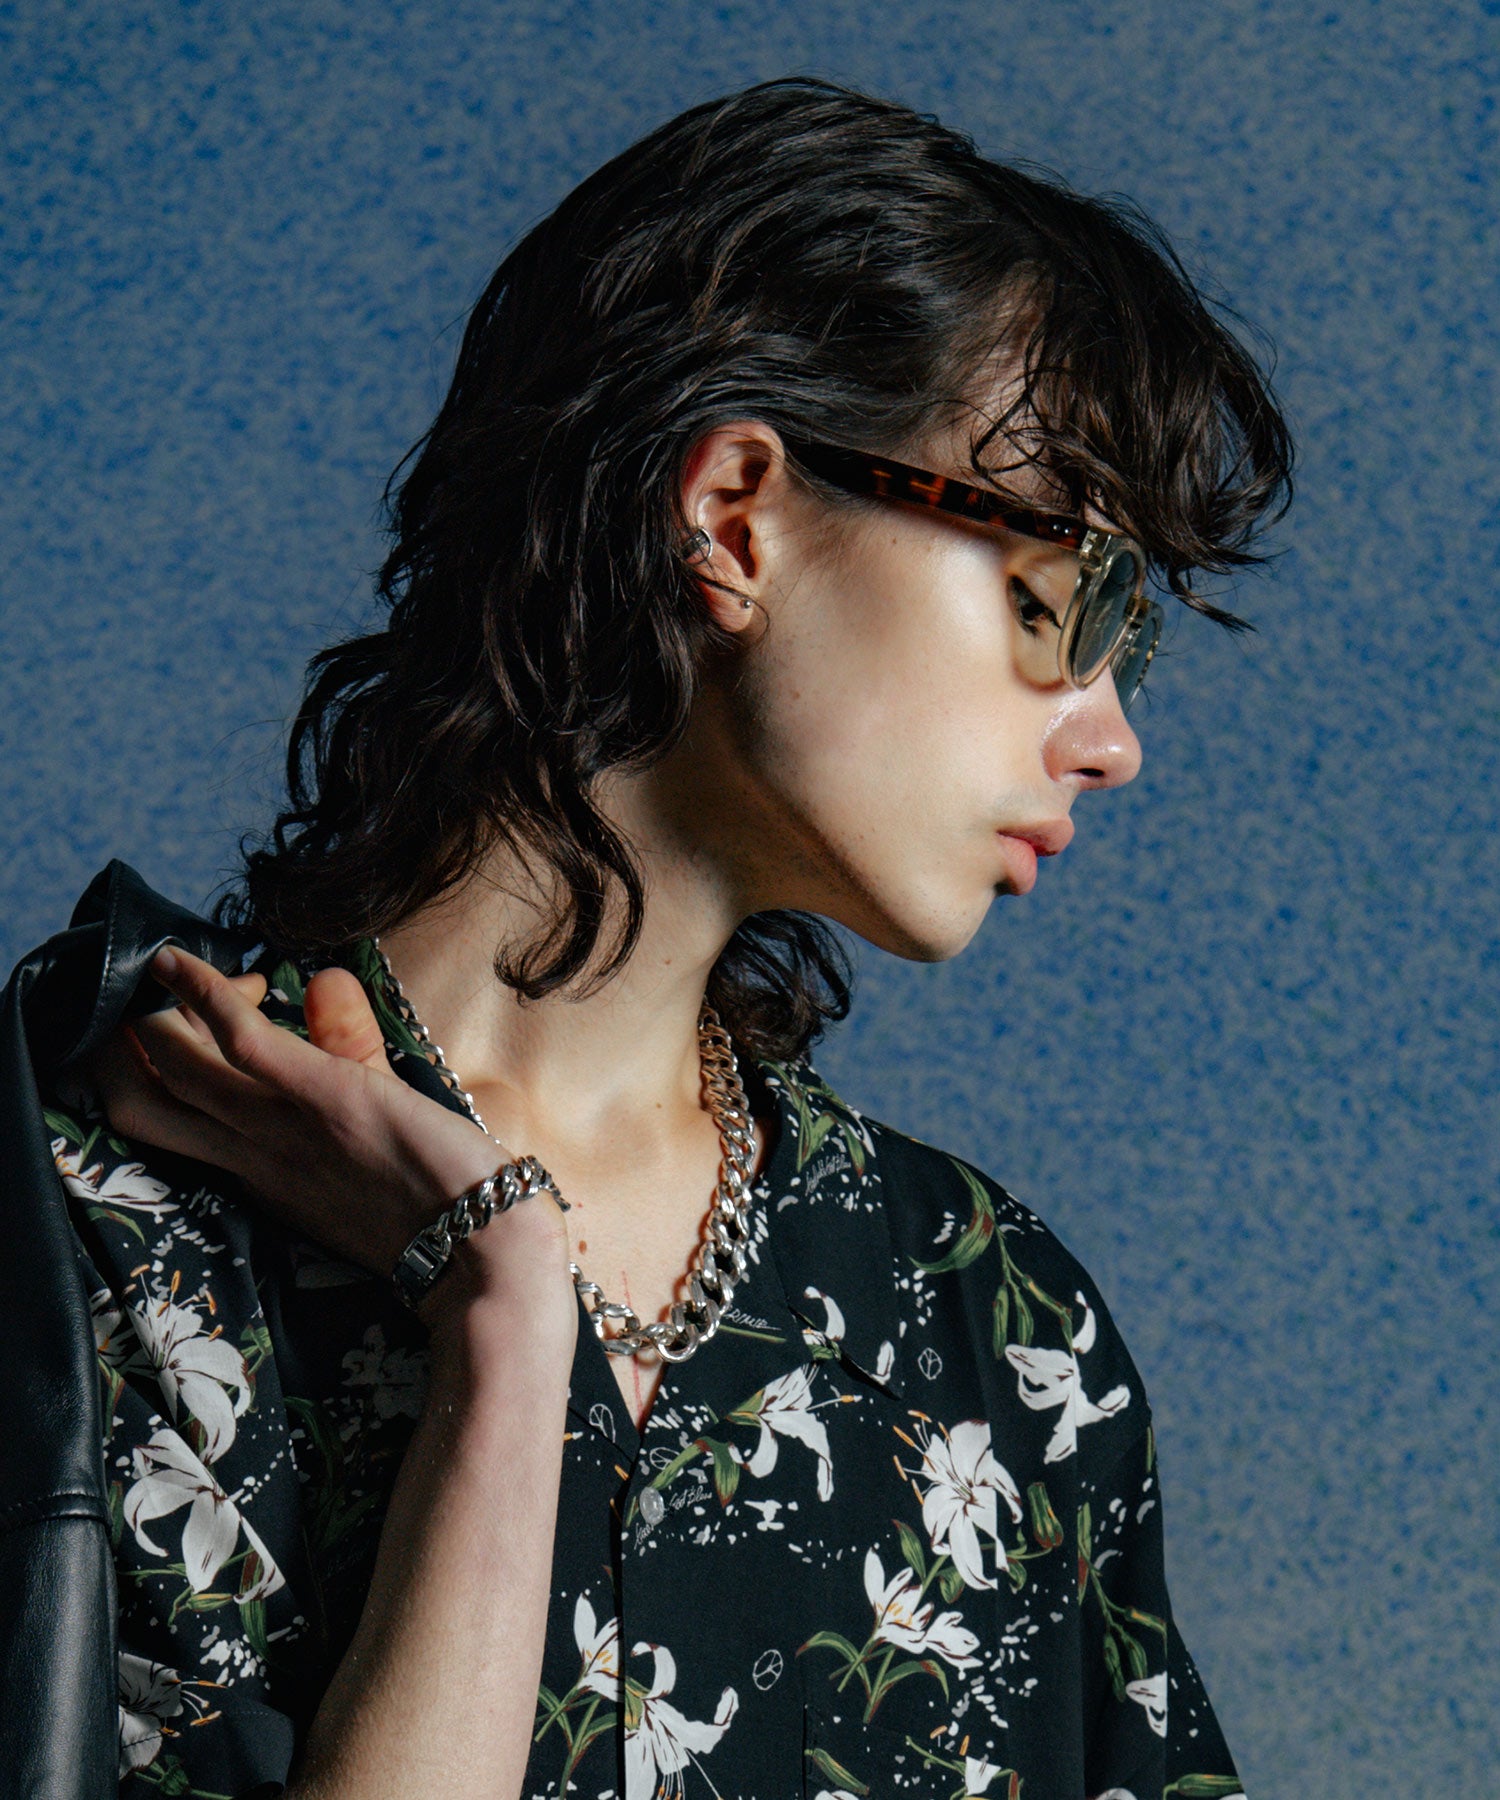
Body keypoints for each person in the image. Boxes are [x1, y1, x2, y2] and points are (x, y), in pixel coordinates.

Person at [4, 77, 1292, 1800]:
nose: (1111, 738)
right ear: (735, 514)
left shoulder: (998, 1327)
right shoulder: (101, 1226)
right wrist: (501, 1324)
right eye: (1062, 600)